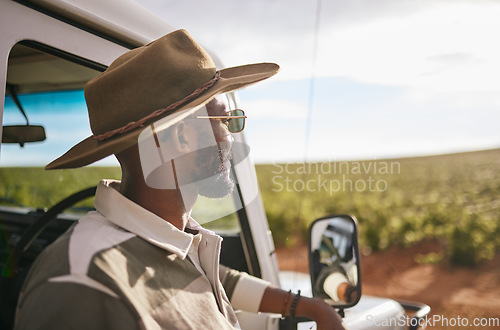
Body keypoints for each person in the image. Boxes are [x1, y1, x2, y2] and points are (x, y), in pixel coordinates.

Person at [14, 30, 344, 330]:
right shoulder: (83, 284)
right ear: (184, 136)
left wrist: (308, 306)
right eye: (225, 120)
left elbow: (204, 278)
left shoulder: (166, 237)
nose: (230, 136)